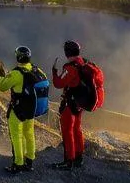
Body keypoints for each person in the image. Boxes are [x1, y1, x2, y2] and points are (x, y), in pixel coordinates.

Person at [0, 46, 46, 174]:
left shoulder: (16, 73)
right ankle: (29, 161)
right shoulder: (37, 70)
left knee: (17, 136)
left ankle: (18, 164)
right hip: (31, 111)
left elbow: (2, 86)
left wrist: (0, 76)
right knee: (29, 135)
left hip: (18, 110)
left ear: (18, 57)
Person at [51, 40, 88, 170]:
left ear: (67, 52)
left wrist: (54, 73)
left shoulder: (70, 68)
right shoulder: (83, 62)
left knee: (67, 131)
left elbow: (58, 83)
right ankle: (79, 157)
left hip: (70, 103)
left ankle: (68, 161)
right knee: (77, 129)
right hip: (80, 103)